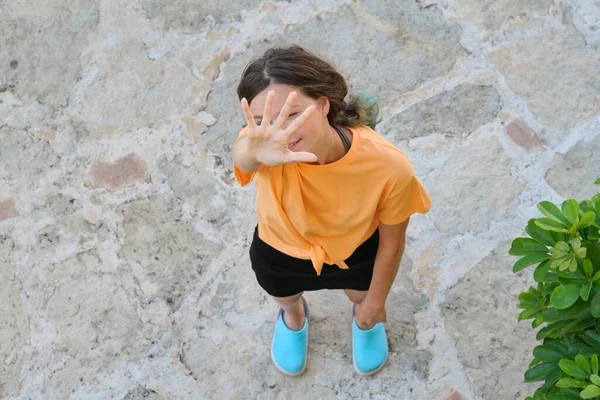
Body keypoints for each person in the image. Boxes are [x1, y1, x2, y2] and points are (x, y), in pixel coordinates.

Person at [232, 45, 432, 376]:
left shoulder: (388, 166)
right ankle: (294, 318)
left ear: (323, 104)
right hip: (279, 249)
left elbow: (392, 242)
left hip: (355, 252)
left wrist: (375, 306)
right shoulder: (262, 143)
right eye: (264, 120)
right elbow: (243, 155)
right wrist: (254, 151)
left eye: (293, 114)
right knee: (285, 296)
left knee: (360, 295)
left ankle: (362, 321)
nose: (283, 131)